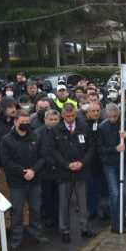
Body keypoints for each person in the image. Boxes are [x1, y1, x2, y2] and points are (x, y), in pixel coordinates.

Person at [0, 110, 48, 248]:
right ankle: (17, 238)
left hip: (35, 179)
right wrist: (22, 172)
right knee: (17, 211)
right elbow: (6, 161)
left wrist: (33, 170)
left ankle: (36, 234)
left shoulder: (35, 137)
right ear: (15, 122)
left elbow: (43, 157)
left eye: (28, 122)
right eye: (23, 122)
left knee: (36, 209)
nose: (26, 125)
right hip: (17, 182)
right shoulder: (7, 140)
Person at [50, 104, 96, 243]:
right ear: (62, 115)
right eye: (67, 116)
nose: (69, 119)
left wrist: (82, 162)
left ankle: (85, 228)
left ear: (75, 115)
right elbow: (53, 151)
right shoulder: (56, 129)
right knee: (64, 202)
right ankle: (64, 230)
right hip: (64, 172)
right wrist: (66, 164)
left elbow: (91, 148)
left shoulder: (84, 127)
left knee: (83, 202)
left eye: (72, 116)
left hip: (81, 170)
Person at [98, 103, 126, 234]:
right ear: (107, 115)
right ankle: (115, 223)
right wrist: (114, 149)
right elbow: (100, 149)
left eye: (115, 116)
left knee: (123, 193)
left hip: (123, 162)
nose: (113, 119)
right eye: (111, 116)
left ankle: (122, 219)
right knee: (115, 193)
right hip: (110, 164)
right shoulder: (102, 127)